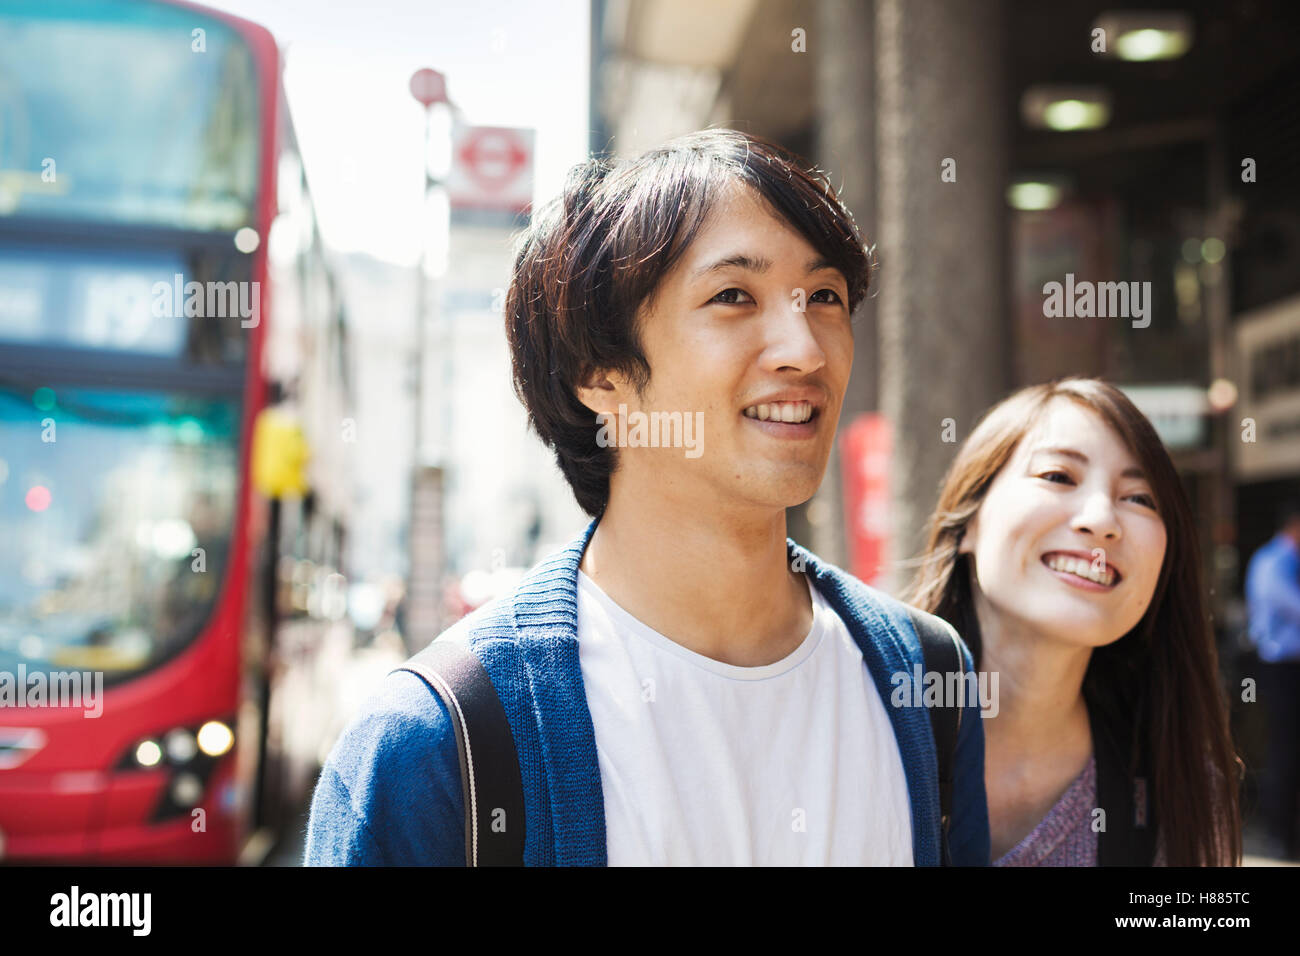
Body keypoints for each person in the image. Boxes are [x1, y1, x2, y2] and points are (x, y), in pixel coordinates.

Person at [304, 128, 989, 866]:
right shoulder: (438, 741)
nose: (806, 349)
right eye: (733, 296)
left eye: (824, 296)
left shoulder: (925, 677)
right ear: (601, 375)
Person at [904, 377, 1241, 866]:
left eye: (1140, 498)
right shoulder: (858, 721)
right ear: (969, 523)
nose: (1102, 518)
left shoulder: (1179, 796)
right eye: (1058, 477)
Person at [1244, 499, 1300, 859]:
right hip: (1281, 670)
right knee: (1284, 752)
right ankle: (1280, 836)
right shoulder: (1274, 562)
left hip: (1289, 668)